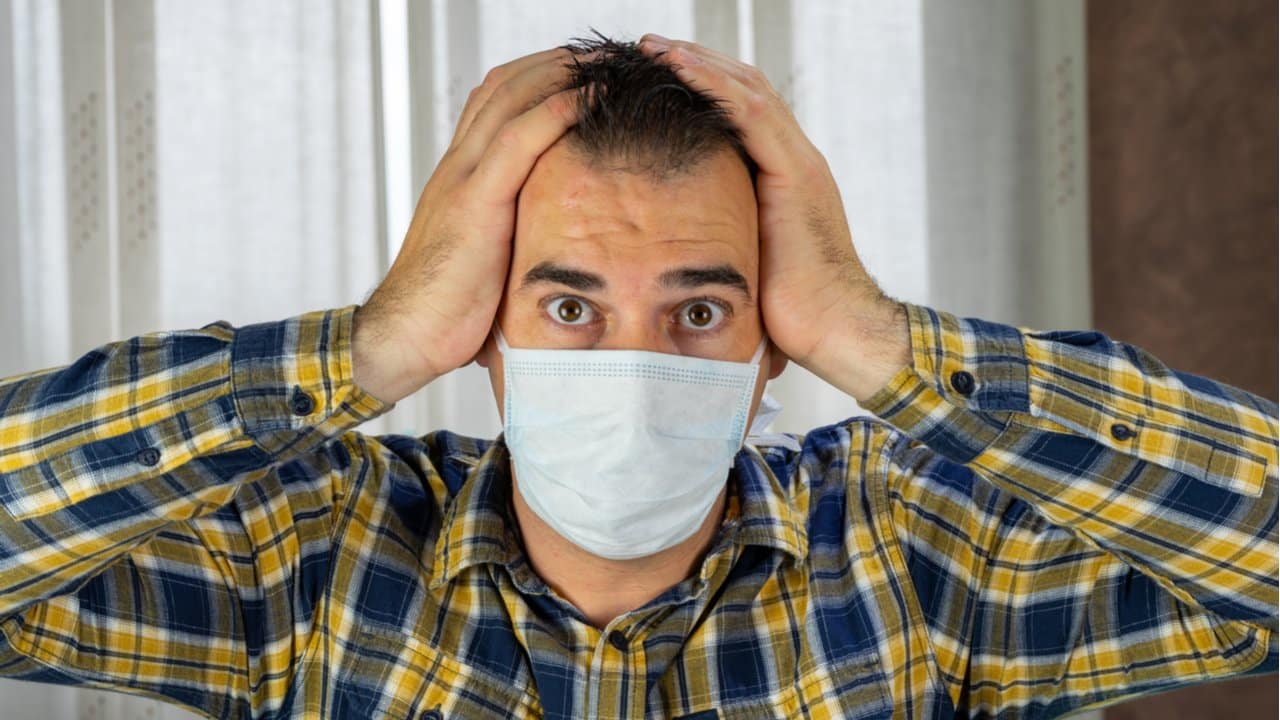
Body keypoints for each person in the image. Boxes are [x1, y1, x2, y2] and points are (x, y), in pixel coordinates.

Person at [0, 34, 1274, 720]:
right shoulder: (305, 554)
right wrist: (367, 347)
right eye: (568, 306)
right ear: (479, 330)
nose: (632, 363)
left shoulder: (925, 553)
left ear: (774, 342)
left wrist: (879, 340)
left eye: (699, 309)